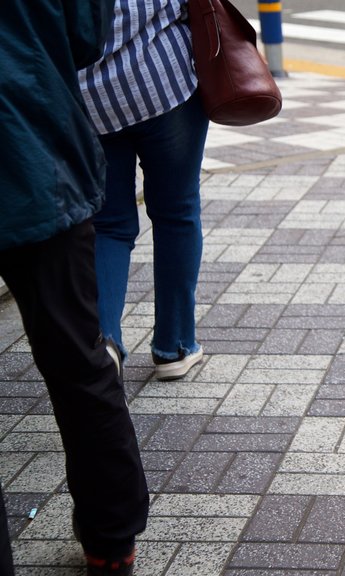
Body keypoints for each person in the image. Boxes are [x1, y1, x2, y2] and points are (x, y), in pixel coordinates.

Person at [0, 1, 150, 574]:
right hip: (34, 152)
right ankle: (111, 541)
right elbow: (86, 36)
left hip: (35, 152)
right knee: (79, 364)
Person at [78, 0, 209, 381]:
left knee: (108, 225)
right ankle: (175, 346)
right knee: (177, 212)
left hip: (90, 101)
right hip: (162, 85)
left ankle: (106, 344)